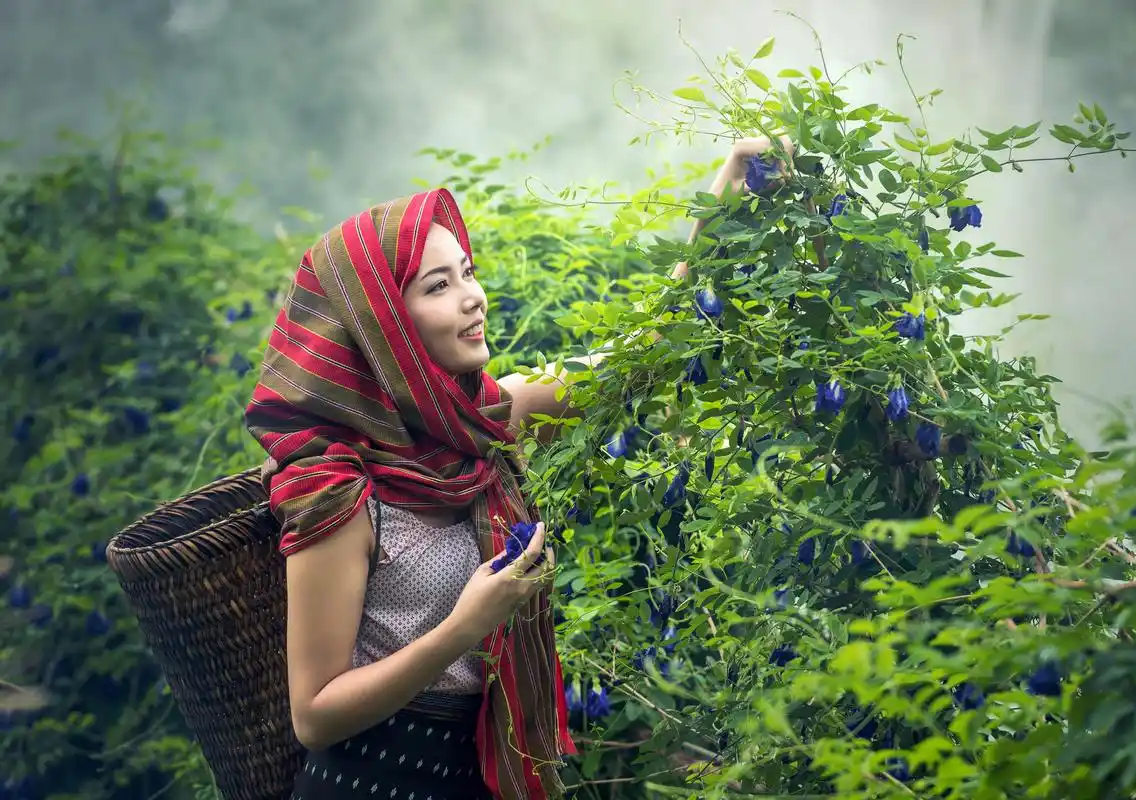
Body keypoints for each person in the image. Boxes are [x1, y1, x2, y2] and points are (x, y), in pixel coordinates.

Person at [244, 134, 792, 800]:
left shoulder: (487, 420)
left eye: (467, 272)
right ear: (383, 327)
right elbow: (315, 714)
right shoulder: (336, 488)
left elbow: (650, 349)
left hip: (477, 772)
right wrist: (465, 628)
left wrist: (730, 184)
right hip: (374, 780)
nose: (472, 297)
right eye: (439, 286)